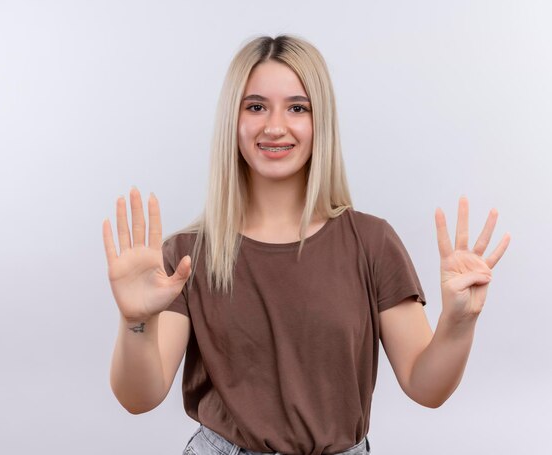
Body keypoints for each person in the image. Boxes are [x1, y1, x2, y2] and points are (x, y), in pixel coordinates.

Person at [102, 35, 510, 455]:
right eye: (255, 106)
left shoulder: (371, 242)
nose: (275, 126)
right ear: (233, 120)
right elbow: (140, 397)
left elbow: (427, 387)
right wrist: (133, 320)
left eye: (298, 108)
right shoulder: (188, 257)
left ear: (321, 123)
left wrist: (459, 323)